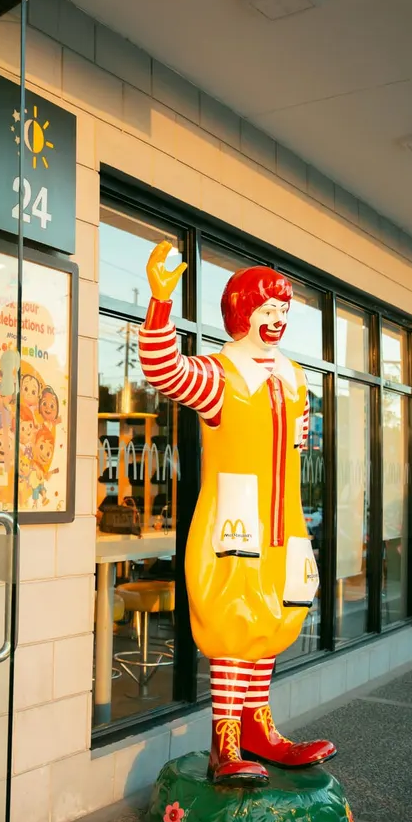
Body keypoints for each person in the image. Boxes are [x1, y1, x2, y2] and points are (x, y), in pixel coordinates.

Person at [139, 242, 334, 785]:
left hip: (283, 519)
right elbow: (163, 369)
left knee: (273, 616)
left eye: (281, 312)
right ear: (240, 313)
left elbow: (295, 446)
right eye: (265, 310)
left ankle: (257, 727)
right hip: (237, 518)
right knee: (234, 615)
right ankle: (224, 739)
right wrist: (159, 301)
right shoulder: (222, 375)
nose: (275, 321)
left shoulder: (292, 377)